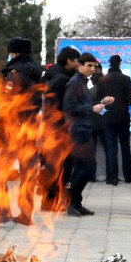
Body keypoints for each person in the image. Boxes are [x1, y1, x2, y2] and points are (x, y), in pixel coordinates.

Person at [0, 38, 42, 227]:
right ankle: (26, 213)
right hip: (29, 128)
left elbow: (8, 103)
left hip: (12, 131)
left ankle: (2, 212)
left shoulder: (15, 74)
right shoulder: (35, 72)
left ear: (15, 53)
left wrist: (0, 128)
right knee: (28, 173)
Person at [63, 52, 113, 216]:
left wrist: (101, 103)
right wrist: (91, 109)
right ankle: (71, 199)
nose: (92, 69)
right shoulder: (75, 83)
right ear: (80, 65)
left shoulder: (83, 82)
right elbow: (69, 108)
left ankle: (75, 202)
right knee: (88, 167)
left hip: (84, 128)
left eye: (94, 66)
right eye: (89, 65)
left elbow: (83, 105)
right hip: (77, 130)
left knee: (82, 168)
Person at [40, 46, 80, 210]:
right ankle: (51, 200)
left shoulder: (53, 76)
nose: (78, 64)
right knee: (59, 165)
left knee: (55, 164)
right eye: (76, 61)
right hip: (59, 127)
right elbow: (62, 106)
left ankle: (51, 198)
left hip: (52, 126)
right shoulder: (62, 79)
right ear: (69, 61)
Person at [97, 54, 131, 184]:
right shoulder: (125, 79)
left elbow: (98, 99)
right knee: (125, 147)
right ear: (120, 64)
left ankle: (111, 177)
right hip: (123, 116)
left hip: (107, 117)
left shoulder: (102, 80)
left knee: (111, 147)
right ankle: (128, 177)